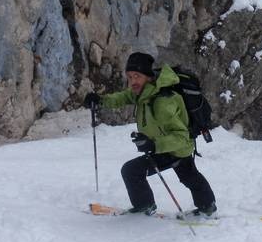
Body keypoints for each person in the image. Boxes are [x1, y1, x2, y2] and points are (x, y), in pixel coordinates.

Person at [84, 52, 217, 218]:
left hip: (175, 148)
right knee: (189, 176)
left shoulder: (163, 103)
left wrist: (153, 145)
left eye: (137, 76)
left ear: (148, 77)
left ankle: (145, 205)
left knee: (133, 171)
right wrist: (100, 100)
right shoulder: (146, 91)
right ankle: (207, 206)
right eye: (130, 77)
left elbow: (181, 136)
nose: (132, 81)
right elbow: (124, 97)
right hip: (163, 146)